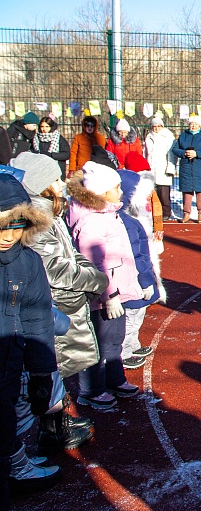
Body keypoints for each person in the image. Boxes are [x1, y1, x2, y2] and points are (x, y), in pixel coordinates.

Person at [10, 152, 103, 450]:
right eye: (56, 178)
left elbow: (69, 253)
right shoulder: (37, 221)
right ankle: (50, 432)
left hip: (65, 302)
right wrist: (95, 280)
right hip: (53, 304)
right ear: (41, 184)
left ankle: (57, 422)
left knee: (56, 370)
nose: (62, 183)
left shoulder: (51, 212)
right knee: (51, 368)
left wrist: (89, 271)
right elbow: (55, 269)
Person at [66, 161, 145, 410]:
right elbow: (95, 262)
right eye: (116, 187)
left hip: (115, 291)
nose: (121, 191)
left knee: (114, 339)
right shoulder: (92, 220)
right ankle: (91, 390)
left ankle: (114, 379)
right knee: (98, 342)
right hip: (102, 295)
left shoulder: (107, 213)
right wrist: (109, 295)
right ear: (101, 191)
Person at [0, 174, 59, 504]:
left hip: (6, 372)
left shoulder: (28, 261)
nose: (9, 236)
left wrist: (41, 374)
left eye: (17, 225)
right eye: (1, 226)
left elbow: (37, 320)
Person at [117, 164, 165, 370]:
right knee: (130, 315)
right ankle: (124, 352)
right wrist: (146, 279)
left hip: (142, 274)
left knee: (138, 313)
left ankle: (133, 344)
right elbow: (137, 255)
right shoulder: (126, 223)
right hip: (134, 278)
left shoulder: (135, 219)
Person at [171, 115, 201, 223]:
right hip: (186, 167)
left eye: (195, 124)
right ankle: (186, 213)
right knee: (187, 191)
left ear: (200, 125)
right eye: (191, 124)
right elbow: (175, 149)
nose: (193, 126)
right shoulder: (183, 136)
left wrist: (197, 154)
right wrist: (184, 153)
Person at [144, 116, 176, 222]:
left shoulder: (168, 137)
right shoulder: (148, 137)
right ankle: (155, 212)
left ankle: (166, 212)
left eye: (158, 126)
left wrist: (170, 168)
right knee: (154, 193)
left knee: (164, 194)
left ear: (162, 126)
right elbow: (146, 153)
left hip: (163, 169)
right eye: (154, 126)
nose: (156, 128)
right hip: (151, 168)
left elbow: (172, 154)